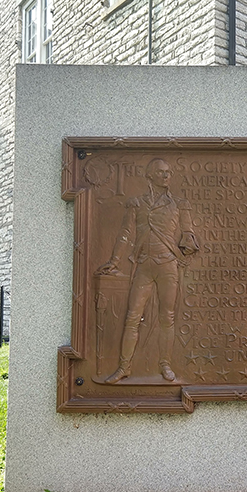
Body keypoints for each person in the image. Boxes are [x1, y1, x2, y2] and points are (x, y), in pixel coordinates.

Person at [96, 158, 198, 383]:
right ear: (150, 175)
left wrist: (188, 243)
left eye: (168, 172)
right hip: (143, 265)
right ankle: (124, 367)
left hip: (167, 265)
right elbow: (125, 233)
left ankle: (165, 365)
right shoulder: (136, 203)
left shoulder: (180, 204)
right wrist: (114, 260)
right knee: (132, 317)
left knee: (167, 317)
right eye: (161, 172)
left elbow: (188, 233)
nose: (166, 175)